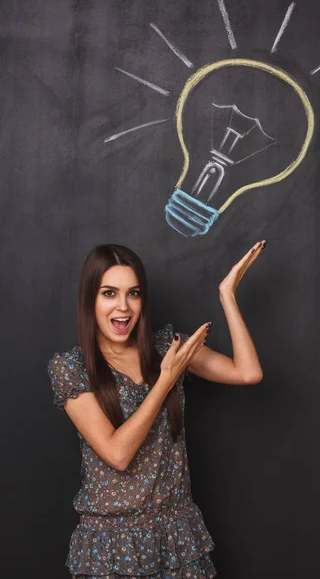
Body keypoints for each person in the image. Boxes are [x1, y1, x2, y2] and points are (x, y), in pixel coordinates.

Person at [47, 240, 265, 579]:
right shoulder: (71, 368)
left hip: (177, 534)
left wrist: (228, 296)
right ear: (90, 298)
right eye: (109, 293)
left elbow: (248, 372)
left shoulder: (167, 347)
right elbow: (117, 453)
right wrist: (165, 380)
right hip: (111, 545)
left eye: (133, 293)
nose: (123, 306)